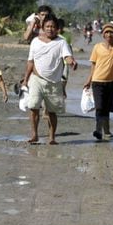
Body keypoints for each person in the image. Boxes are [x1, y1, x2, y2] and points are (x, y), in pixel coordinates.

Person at [22, 14, 77, 145]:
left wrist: (72, 62)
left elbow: (67, 56)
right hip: (36, 79)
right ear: (42, 27)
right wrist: (25, 79)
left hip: (54, 82)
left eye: (53, 26)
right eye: (47, 26)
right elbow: (30, 62)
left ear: (57, 28)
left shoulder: (61, 42)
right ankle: (34, 134)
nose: (50, 29)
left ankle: (52, 137)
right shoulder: (35, 41)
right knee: (33, 107)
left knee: (52, 111)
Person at [84, 22, 113, 140]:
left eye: (112, 33)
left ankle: (107, 131)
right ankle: (98, 130)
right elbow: (93, 65)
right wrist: (88, 80)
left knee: (106, 108)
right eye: (107, 32)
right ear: (103, 35)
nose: (109, 35)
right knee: (99, 107)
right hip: (97, 82)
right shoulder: (97, 47)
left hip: (111, 83)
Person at [58, 18, 73, 99]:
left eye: (61, 27)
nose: (59, 29)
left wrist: (72, 58)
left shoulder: (67, 35)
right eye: (58, 27)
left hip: (66, 60)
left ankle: (63, 88)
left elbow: (69, 46)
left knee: (65, 77)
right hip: (57, 60)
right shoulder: (54, 35)